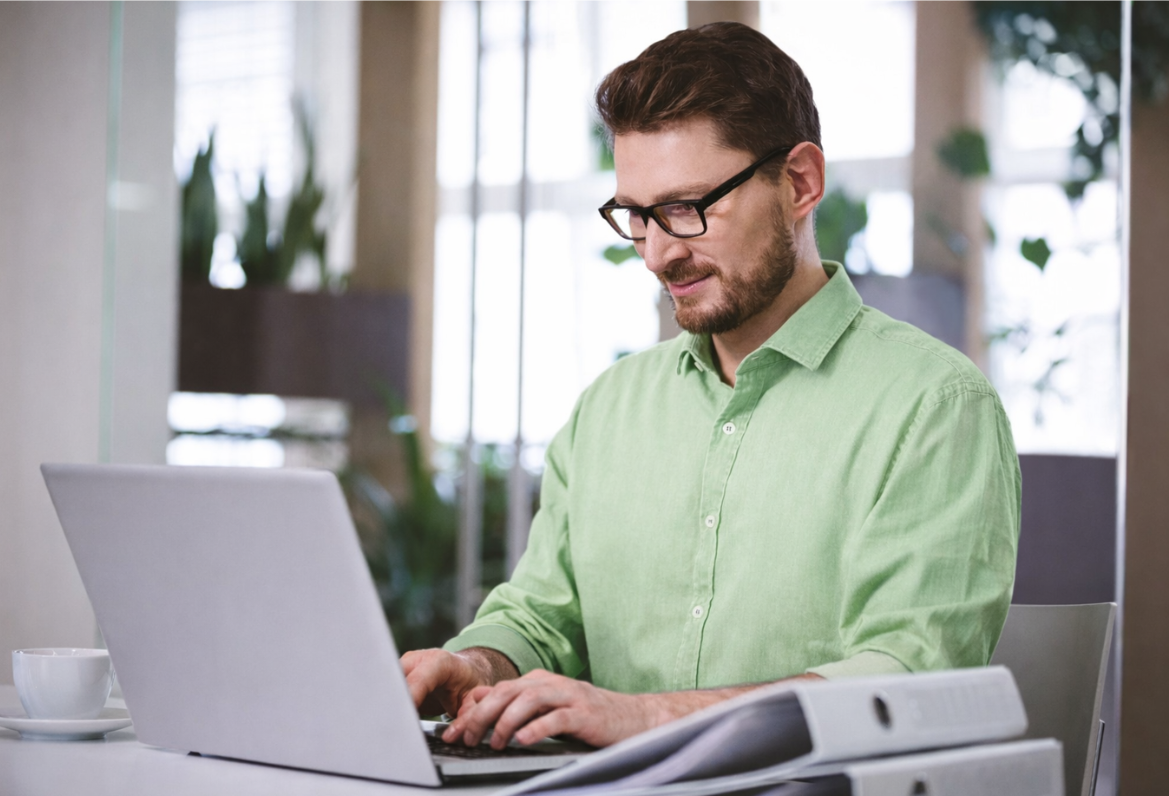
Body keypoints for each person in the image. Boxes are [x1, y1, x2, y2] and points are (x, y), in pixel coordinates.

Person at [404, 21, 1020, 753]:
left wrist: (646, 717)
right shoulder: (610, 410)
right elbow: (543, 617)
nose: (660, 253)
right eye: (636, 216)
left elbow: (908, 675)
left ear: (799, 182)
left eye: (688, 207)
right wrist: (477, 666)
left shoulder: (934, 408)